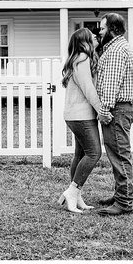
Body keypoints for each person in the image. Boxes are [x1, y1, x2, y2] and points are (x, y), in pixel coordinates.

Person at [95, 13, 133, 216]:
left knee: (119, 154)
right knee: (117, 153)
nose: (99, 32)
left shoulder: (115, 50)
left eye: (102, 29)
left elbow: (111, 84)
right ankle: (120, 193)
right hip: (123, 107)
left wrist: (104, 111)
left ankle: (124, 201)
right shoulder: (120, 47)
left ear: (113, 30)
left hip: (117, 108)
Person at [57, 28, 104, 213]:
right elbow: (88, 89)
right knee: (94, 153)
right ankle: (72, 191)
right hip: (81, 116)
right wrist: (101, 110)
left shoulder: (76, 59)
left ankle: (76, 196)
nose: (95, 36)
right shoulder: (83, 58)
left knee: (80, 154)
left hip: (75, 115)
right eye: (92, 36)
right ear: (85, 41)